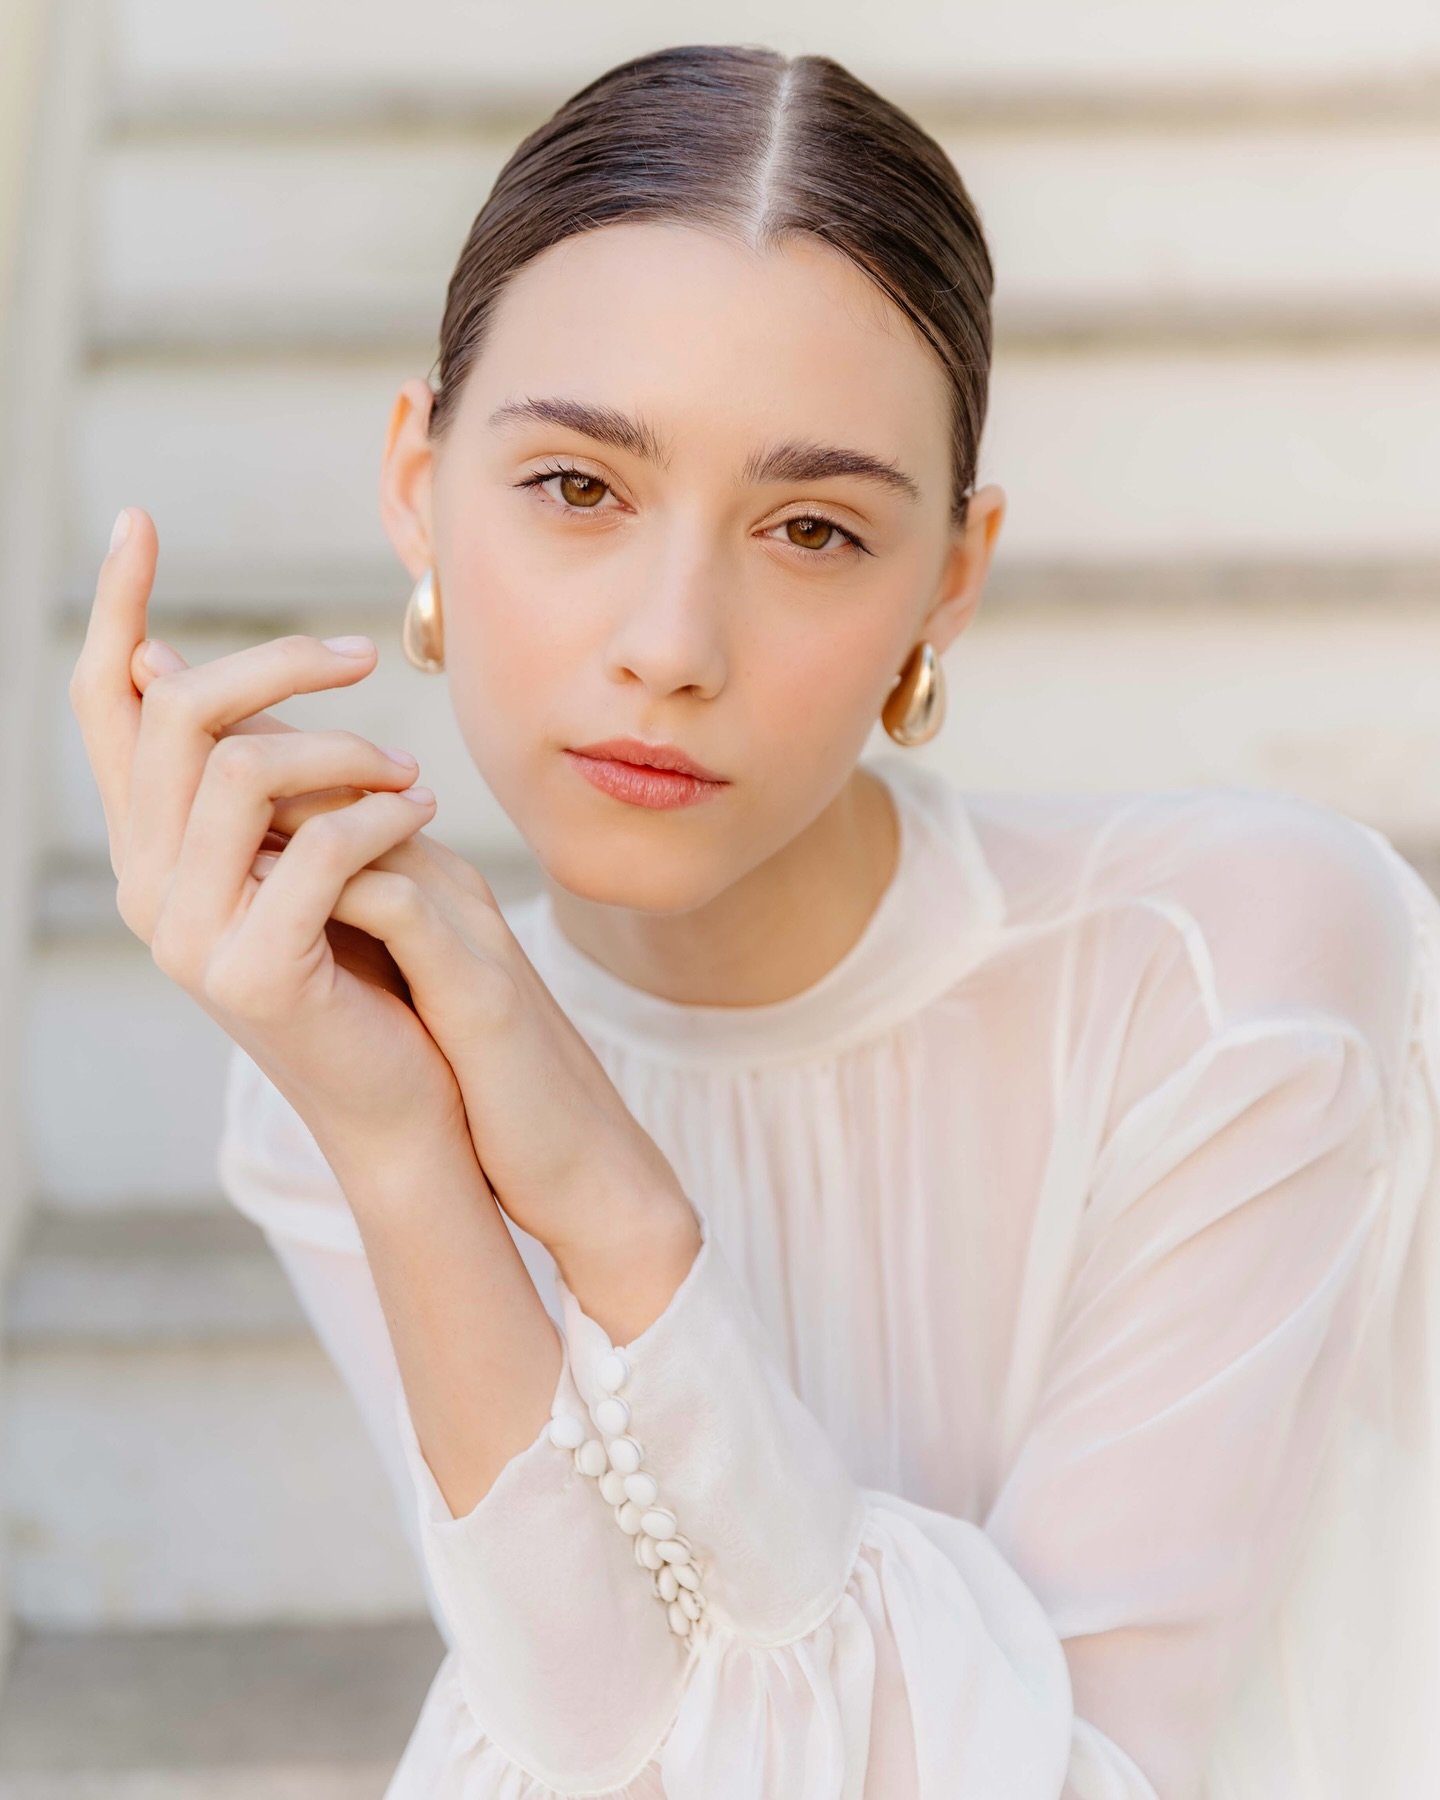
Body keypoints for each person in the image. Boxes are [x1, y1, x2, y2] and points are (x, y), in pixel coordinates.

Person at [68, 42, 1440, 1800]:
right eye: (577, 487)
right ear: (418, 479)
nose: (672, 643)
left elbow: (1081, 1777)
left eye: (811, 527)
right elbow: (596, 1738)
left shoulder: (1232, 973)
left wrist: (615, 1210)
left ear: (951, 571)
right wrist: (412, 1158)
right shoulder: (336, 1070)